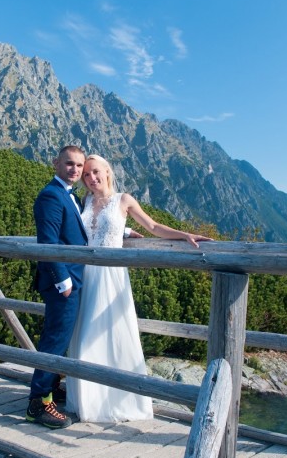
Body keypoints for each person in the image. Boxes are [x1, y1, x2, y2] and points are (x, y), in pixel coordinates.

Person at [66, 154, 211, 423]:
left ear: (107, 172)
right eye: (86, 174)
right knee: (84, 334)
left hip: (111, 276)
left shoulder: (124, 199)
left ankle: (117, 401)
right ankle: (88, 402)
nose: (91, 178)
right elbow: (87, 231)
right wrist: (124, 232)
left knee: (112, 334)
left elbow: (153, 226)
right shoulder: (84, 201)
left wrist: (185, 235)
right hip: (85, 273)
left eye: (96, 172)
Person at [27, 145, 88, 429]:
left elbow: (81, 231)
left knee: (60, 338)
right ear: (56, 163)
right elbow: (48, 242)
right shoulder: (51, 195)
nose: (74, 169)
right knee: (55, 340)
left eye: (79, 165)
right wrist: (62, 281)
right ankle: (38, 403)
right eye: (69, 164)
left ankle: (51, 387)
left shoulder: (70, 195)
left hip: (73, 279)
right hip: (63, 283)